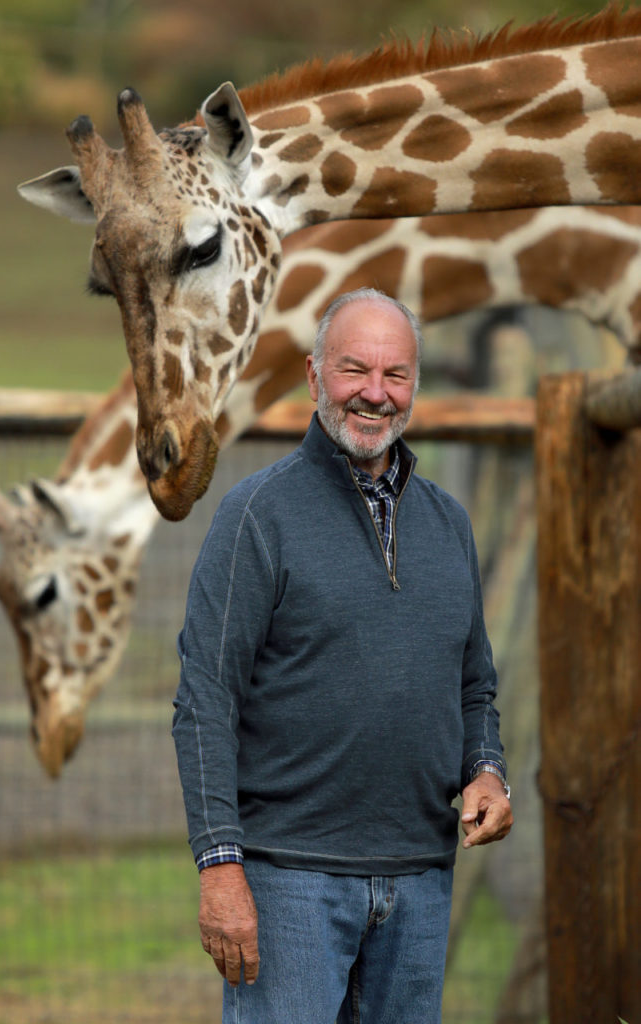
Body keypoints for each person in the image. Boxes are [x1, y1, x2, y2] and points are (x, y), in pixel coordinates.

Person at [172, 287, 513, 1024]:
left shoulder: (447, 523)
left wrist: (485, 770)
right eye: (354, 370)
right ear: (313, 375)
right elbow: (204, 699)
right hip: (289, 883)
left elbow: (473, 687)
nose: (374, 394)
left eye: (395, 376)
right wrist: (220, 866)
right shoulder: (257, 515)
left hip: (419, 883)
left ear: (414, 387)